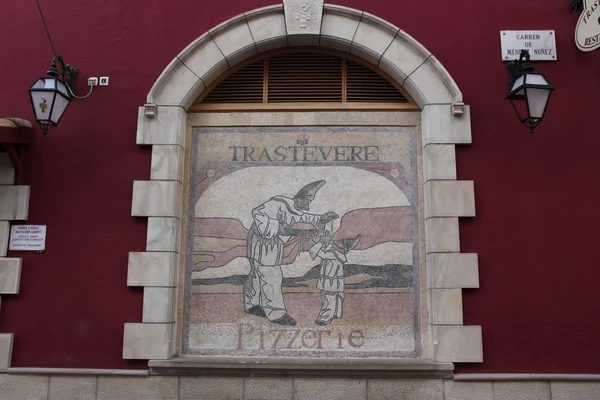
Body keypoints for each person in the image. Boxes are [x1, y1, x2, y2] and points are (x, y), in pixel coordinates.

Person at [244, 180, 339, 325]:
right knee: (271, 276)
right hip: (262, 245)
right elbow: (257, 214)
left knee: (257, 274)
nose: (307, 205)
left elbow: (304, 218)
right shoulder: (276, 204)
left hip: (269, 246)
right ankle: (276, 313)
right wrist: (282, 229)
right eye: (306, 201)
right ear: (298, 198)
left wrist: (321, 218)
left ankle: (251, 304)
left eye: (310, 201)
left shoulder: (295, 209)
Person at [309, 234, 360, 326]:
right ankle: (336, 313)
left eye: (339, 241)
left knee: (328, 298)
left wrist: (321, 242)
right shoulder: (335, 253)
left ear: (342, 246)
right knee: (334, 297)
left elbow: (317, 252)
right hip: (332, 281)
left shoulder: (333, 254)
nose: (336, 241)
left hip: (331, 282)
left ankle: (325, 317)